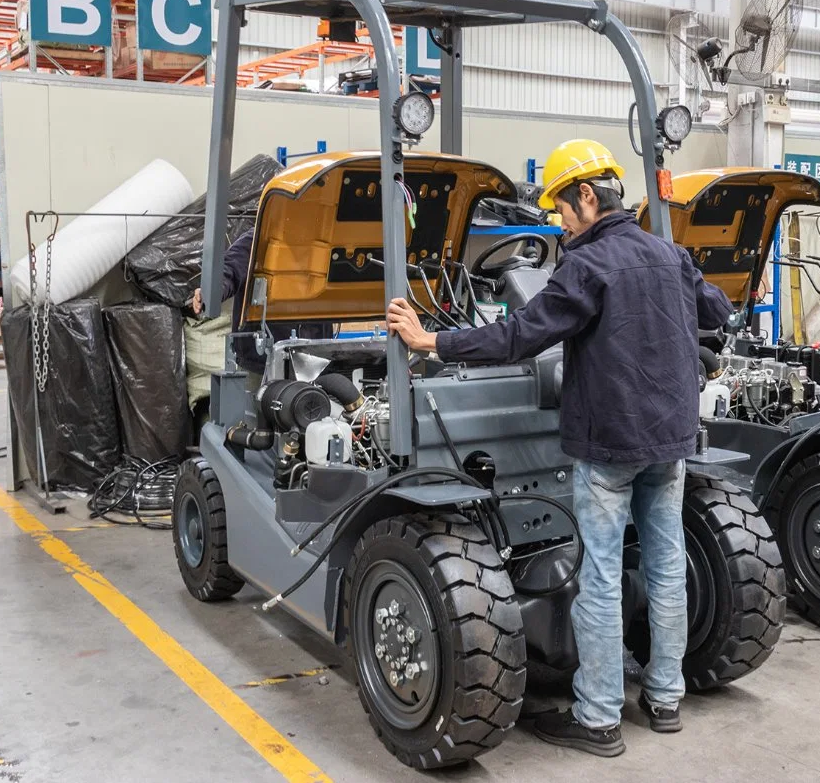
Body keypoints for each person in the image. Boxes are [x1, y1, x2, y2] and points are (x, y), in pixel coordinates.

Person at [385, 139, 734, 757]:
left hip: (611, 446)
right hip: (671, 438)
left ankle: (599, 718)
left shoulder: (586, 266)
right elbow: (718, 310)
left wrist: (430, 340)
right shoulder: (671, 255)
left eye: (562, 211)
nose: (561, 225)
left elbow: (521, 336)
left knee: (599, 577)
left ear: (587, 197)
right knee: (664, 564)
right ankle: (664, 699)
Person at [190, 227, 330, 371]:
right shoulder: (257, 239)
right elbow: (230, 269)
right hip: (262, 362)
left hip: (315, 359)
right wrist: (211, 292)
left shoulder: (325, 240)